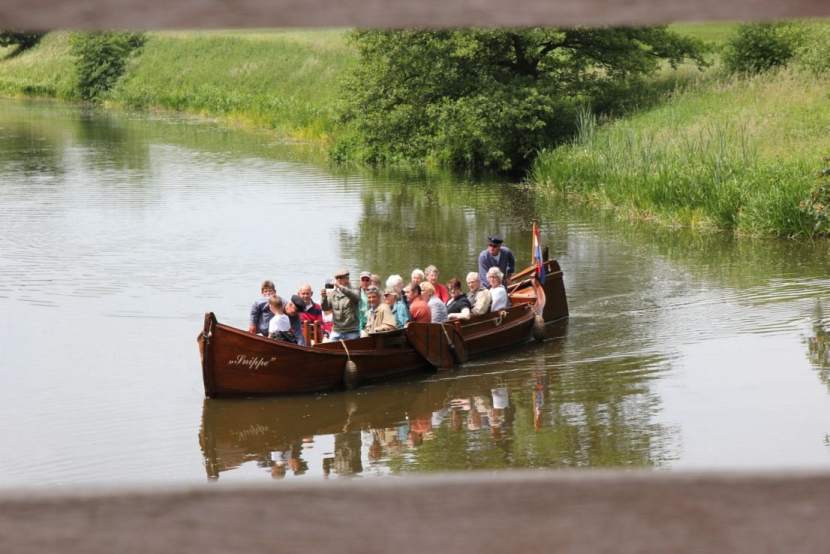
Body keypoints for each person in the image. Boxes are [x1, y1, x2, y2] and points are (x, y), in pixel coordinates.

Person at [320, 268, 361, 341]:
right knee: (329, 348)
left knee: (352, 350)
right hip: (337, 330)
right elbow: (325, 308)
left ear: (347, 278)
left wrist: (340, 287)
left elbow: (355, 298)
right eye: (337, 278)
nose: (338, 280)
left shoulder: (355, 289)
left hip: (351, 330)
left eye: (341, 278)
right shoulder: (333, 293)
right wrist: (324, 297)